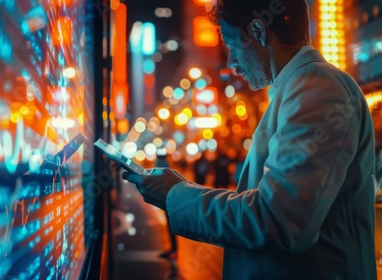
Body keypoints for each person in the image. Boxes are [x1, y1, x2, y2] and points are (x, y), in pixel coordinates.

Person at [123, 0, 377, 279]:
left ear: (258, 31)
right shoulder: (300, 88)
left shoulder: (316, 89)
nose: (232, 63)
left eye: (232, 45)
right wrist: (182, 189)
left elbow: (277, 223)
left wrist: (175, 195)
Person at [155, 152, 178, 259]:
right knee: (171, 225)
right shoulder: (167, 163)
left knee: (171, 225)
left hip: (166, 197)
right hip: (170, 195)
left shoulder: (160, 164)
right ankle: (174, 249)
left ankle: (174, 250)